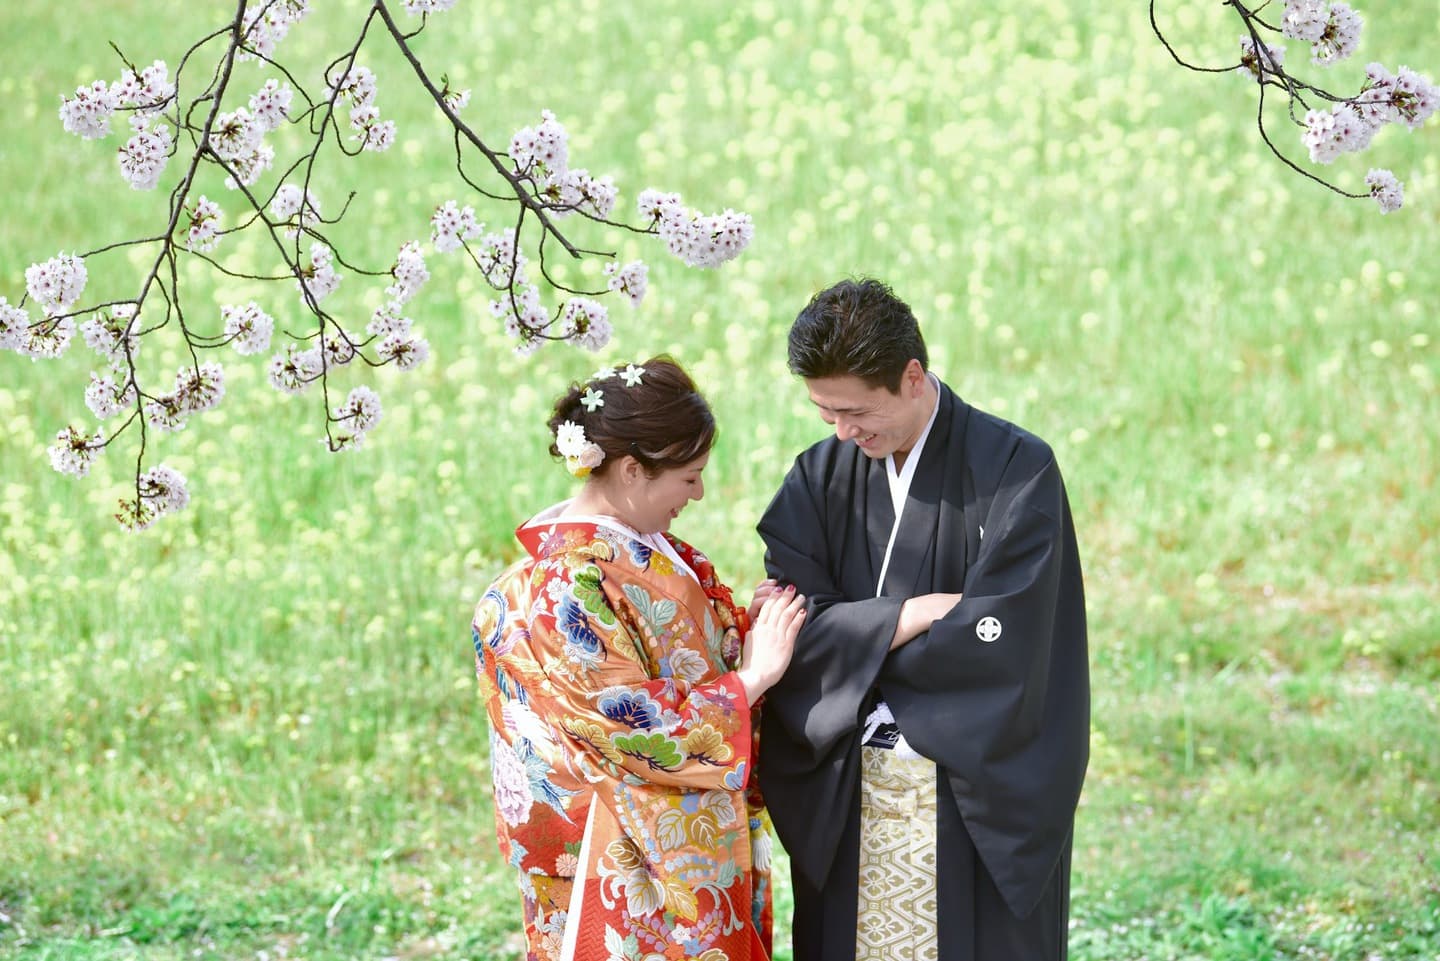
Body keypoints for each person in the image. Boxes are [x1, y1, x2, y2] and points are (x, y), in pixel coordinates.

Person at [756, 279, 1090, 961]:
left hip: (968, 796)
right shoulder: (819, 476)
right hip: (851, 793)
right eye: (827, 415)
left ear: (912, 376)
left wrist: (853, 639)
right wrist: (907, 616)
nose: (846, 432)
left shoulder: (1017, 471)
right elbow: (789, 631)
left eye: (856, 411)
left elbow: (1007, 642)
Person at [471, 356, 807, 961]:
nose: (699, 492)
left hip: (681, 830)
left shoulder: (645, 546)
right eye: (690, 476)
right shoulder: (566, 586)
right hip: (625, 847)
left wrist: (750, 629)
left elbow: (690, 655)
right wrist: (752, 677)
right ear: (632, 470)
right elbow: (629, 725)